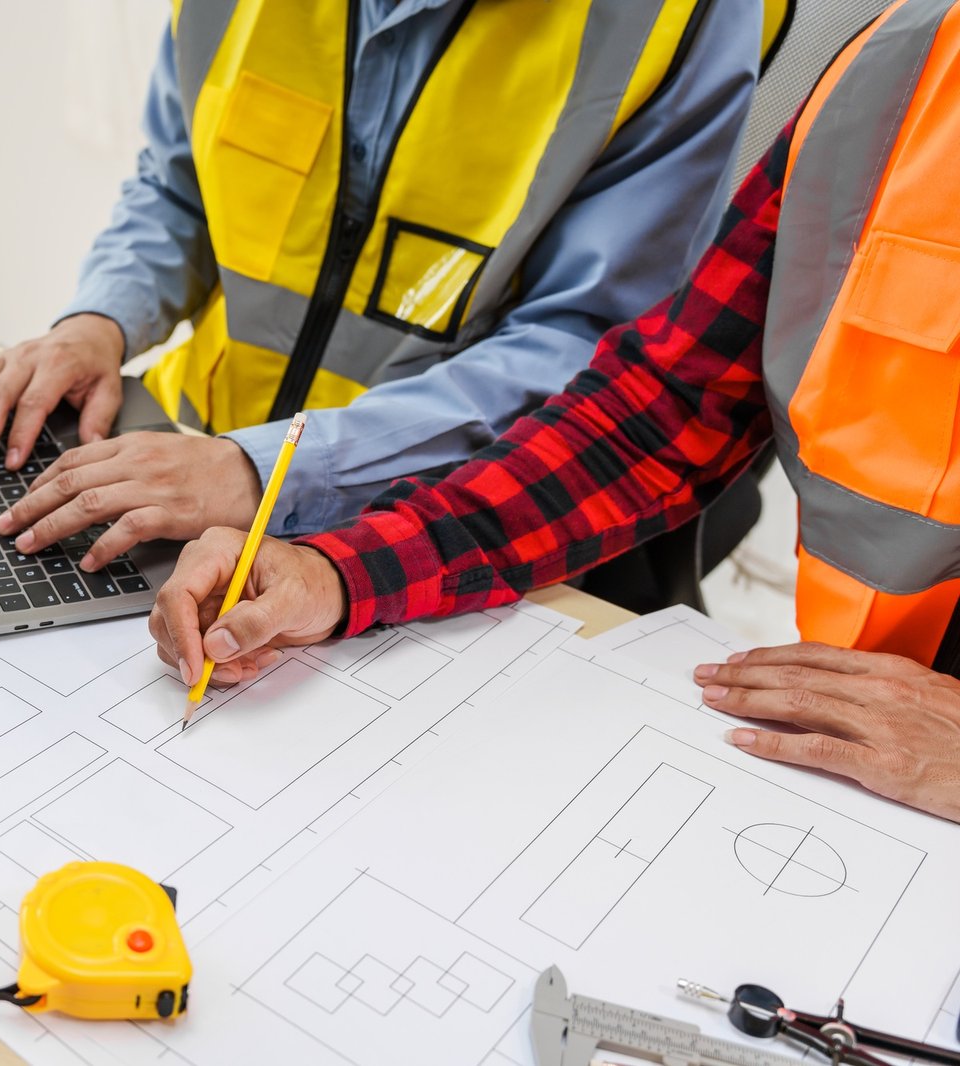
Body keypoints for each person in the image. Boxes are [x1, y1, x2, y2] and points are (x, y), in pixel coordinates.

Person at [149, 0, 960, 825]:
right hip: (857, 740)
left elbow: (578, 331)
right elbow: (655, 421)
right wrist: (340, 571)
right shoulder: (904, 68)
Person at [0, 2, 768, 573]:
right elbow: (181, 182)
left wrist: (264, 473)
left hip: (425, 531)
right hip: (180, 456)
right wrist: (99, 322)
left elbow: (585, 354)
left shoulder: (677, 18)